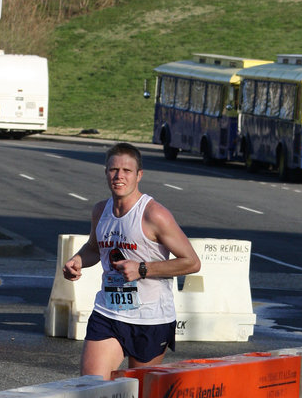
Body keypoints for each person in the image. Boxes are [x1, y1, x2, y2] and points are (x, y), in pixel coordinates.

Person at [63, 142, 201, 379]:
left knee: (139, 396)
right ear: (106, 172)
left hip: (150, 318)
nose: (119, 176)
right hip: (109, 312)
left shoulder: (153, 214)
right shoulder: (100, 211)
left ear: (139, 175)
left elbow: (191, 262)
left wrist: (143, 269)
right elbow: (95, 248)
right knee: (91, 387)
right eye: (113, 170)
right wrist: (77, 260)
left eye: (127, 171)